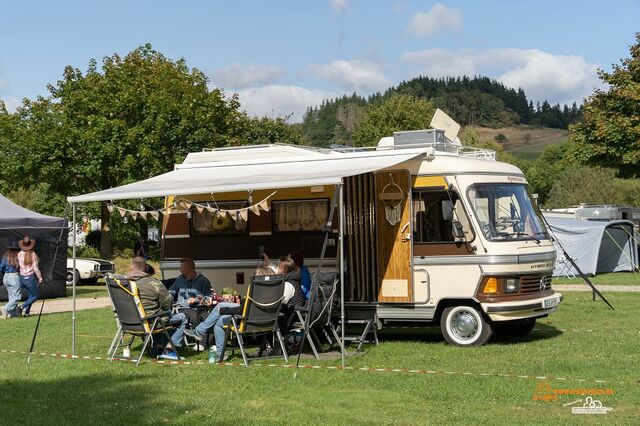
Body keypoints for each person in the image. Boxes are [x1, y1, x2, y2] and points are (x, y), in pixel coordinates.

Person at [127, 256, 187, 360]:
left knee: (157, 315)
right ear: (146, 267)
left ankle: (157, 348)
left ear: (131, 267)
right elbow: (168, 303)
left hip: (128, 322)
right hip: (150, 322)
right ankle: (168, 350)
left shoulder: (123, 283)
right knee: (182, 317)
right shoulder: (154, 283)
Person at [168, 258, 212, 327]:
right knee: (195, 318)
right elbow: (171, 292)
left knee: (210, 319)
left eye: (181, 267)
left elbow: (208, 298)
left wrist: (196, 300)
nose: (179, 270)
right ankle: (197, 335)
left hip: (200, 309)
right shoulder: (180, 279)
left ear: (189, 269)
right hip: (183, 308)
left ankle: (206, 337)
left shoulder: (203, 281)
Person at [17, 236, 43, 317]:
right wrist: (40, 277)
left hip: (21, 278)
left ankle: (27, 313)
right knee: (35, 296)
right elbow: (35, 268)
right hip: (29, 278)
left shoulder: (19, 254)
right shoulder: (32, 254)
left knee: (31, 296)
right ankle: (21, 307)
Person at [1, 241, 21, 318]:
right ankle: (5, 309)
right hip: (14, 276)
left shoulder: (6, 255)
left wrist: (5, 274)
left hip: (6, 276)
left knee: (11, 297)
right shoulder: (18, 255)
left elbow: (1, 267)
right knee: (17, 296)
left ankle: (13, 314)